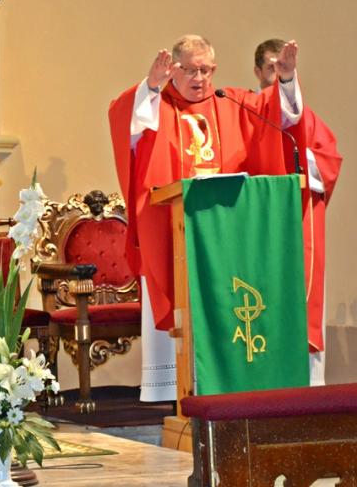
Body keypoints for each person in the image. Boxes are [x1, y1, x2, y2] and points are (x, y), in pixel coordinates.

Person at [108, 34, 303, 401]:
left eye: (206, 70)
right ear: (173, 70)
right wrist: (151, 86)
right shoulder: (157, 106)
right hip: (175, 232)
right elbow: (125, 122)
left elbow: (279, 115)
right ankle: (179, 390)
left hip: (227, 233)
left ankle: (230, 383)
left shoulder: (232, 102)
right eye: (190, 70)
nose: (200, 79)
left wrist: (287, 79)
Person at [254, 39, 342, 384]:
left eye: (285, 67)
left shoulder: (307, 118)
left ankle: (309, 387)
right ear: (258, 72)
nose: (278, 73)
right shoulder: (245, 113)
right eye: (272, 67)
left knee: (301, 299)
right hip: (258, 225)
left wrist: (297, 161)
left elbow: (329, 161)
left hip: (299, 218)